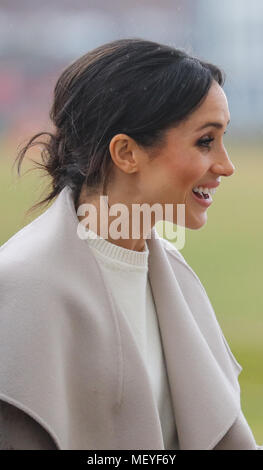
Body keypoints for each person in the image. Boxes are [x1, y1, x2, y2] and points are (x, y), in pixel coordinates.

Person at [0, 38, 262, 450]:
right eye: (205, 141)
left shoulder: (174, 275)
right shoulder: (21, 285)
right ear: (126, 153)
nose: (226, 166)